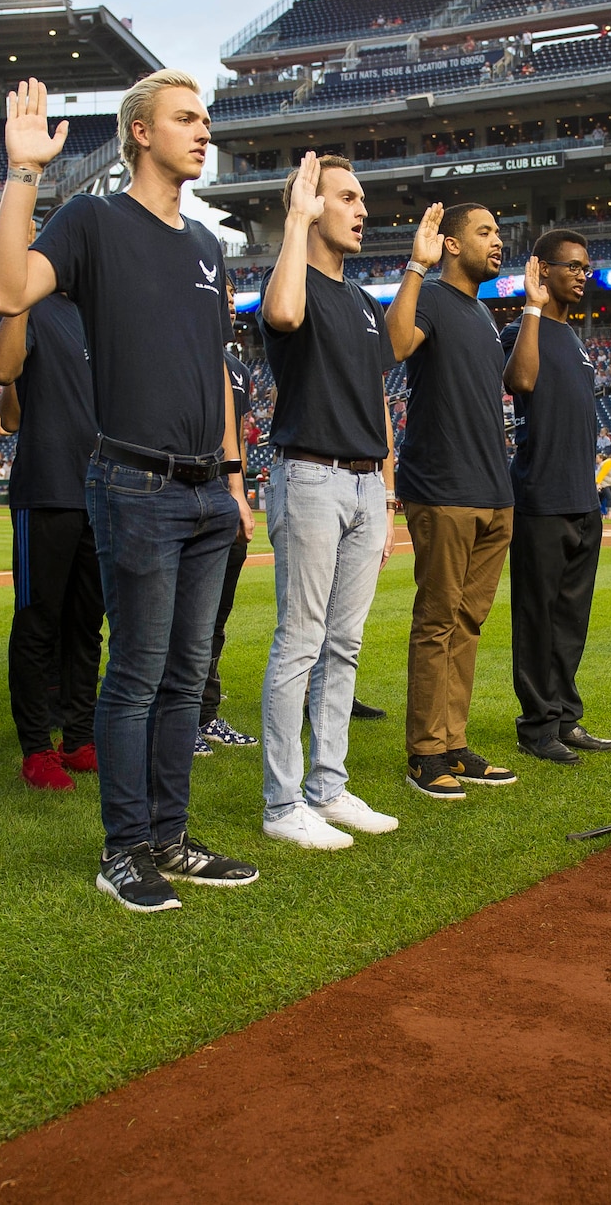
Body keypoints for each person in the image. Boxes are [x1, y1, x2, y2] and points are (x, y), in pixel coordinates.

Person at [0, 73, 259, 912]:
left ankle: (170, 837)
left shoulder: (209, 246)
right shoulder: (93, 220)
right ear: (140, 133)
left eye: (205, 119)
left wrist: (233, 481)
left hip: (208, 491)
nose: (203, 131)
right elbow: (3, 293)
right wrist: (23, 174)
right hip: (132, 480)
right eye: (185, 119)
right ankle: (123, 847)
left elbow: (213, 370)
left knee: (184, 677)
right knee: (135, 676)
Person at [254, 152, 402, 848]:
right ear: (312, 204)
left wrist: (389, 490)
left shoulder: (364, 301)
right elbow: (282, 313)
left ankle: (328, 786)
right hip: (309, 474)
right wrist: (295, 222)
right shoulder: (290, 279)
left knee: (344, 644)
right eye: (346, 196)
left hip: (367, 482)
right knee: (300, 642)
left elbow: (377, 394)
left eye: (360, 197)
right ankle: (283, 804)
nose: (361, 209)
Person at [385, 201, 521, 798]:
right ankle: (424, 754)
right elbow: (393, 345)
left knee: (468, 622)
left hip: (494, 490)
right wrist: (415, 268)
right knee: (438, 621)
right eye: (485, 232)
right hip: (443, 489)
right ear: (452, 245)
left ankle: (452, 741)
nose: (499, 242)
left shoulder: (486, 314)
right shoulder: (433, 299)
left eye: (498, 232)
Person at [0, 217, 105, 791]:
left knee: (88, 624)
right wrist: (19, 291)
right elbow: (1, 369)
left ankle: (80, 736)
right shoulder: (32, 308)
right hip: (48, 488)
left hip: (105, 491)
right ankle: (37, 747)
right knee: (37, 622)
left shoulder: (99, 309)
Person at [502, 228, 611, 766]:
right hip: (539, 497)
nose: (580, 274)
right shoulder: (518, 330)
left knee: (572, 619)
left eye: (585, 268)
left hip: (582, 498)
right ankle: (536, 726)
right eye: (570, 266)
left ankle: (566, 717)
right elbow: (521, 382)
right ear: (541, 269)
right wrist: (531, 308)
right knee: (537, 619)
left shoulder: (575, 340)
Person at [198, 336, 261, 756]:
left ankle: (205, 715)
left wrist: (237, 492)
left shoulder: (238, 370)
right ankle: (179, 721)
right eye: (225, 297)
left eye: (235, 301)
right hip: (189, 497)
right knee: (186, 624)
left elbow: (235, 433)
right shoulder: (184, 349)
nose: (230, 309)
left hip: (227, 499)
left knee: (216, 622)